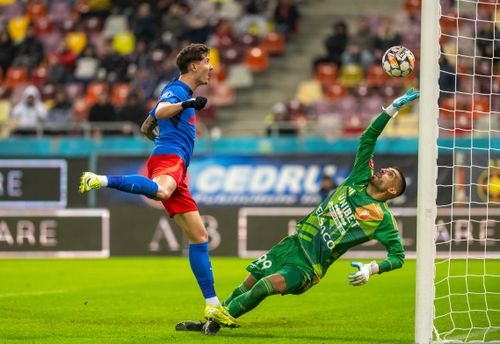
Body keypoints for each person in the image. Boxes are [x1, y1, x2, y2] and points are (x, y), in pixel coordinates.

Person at [177, 88, 420, 335]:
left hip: (309, 265)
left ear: (392, 190)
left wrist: (372, 268)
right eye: (386, 168)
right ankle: (209, 325)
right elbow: (368, 138)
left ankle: (218, 320)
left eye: (390, 174)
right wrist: (391, 109)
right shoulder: (360, 177)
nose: (383, 171)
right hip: (292, 244)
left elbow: (398, 256)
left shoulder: (382, 218)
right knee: (248, 283)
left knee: (263, 286)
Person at [78, 43, 239, 328]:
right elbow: (163, 110)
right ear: (194, 66)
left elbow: (146, 125)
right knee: (162, 190)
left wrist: (163, 133)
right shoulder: (178, 92)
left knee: (200, 237)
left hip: (173, 162)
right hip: (171, 160)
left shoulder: (175, 89)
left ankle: (212, 305)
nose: (211, 67)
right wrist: (185, 108)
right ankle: (100, 179)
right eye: (207, 62)